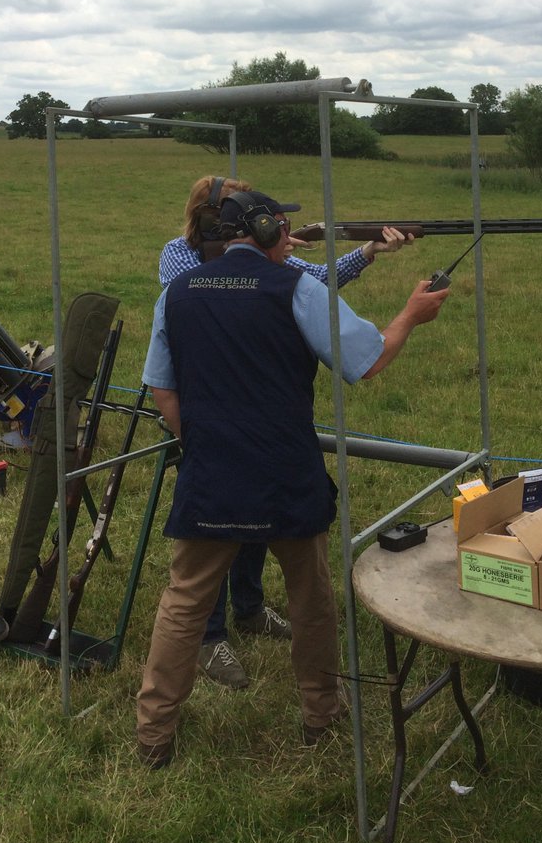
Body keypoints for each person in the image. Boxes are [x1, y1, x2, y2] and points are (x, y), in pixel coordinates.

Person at [137, 189, 448, 767]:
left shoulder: (175, 294)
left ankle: (153, 734)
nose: (289, 233)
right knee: (310, 602)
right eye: (281, 224)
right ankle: (320, 713)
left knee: (183, 604)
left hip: (211, 472)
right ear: (258, 229)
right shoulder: (298, 288)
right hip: (286, 469)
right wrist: (412, 313)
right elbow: (369, 360)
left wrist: (199, 444)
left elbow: (162, 386)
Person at [160, 175, 414, 689]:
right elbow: (227, 291)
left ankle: (249, 608)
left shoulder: (267, 261)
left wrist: (367, 250)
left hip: (252, 424)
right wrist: (261, 257)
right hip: (215, 408)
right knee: (219, 545)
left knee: (253, 523)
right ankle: (212, 639)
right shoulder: (178, 261)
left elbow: (314, 279)